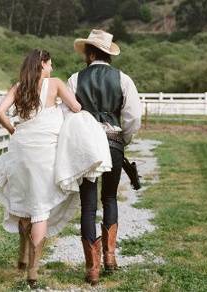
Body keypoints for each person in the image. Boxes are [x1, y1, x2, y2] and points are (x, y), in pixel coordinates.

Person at [0, 49, 83, 288]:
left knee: (24, 203)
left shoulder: (19, 87)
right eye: (50, 63)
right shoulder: (56, 84)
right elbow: (77, 107)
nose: (52, 67)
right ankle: (33, 269)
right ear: (42, 64)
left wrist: (13, 130)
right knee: (40, 208)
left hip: (20, 150)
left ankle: (21, 255)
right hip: (44, 152)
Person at [67, 29, 142, 285]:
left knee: (88, 205)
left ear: (89, 53)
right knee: (109, 197)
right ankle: (110, 257)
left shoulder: (75, 79)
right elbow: (133, 118)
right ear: (108, 54)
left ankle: (92, 269)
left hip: (87, 145)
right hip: (113, 143)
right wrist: (124, 139)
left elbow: (68, 117)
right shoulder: (124, 79)